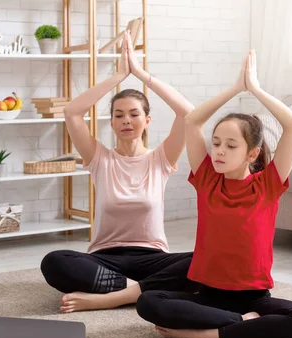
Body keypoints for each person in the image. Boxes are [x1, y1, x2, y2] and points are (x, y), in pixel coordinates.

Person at [135, 49, 292, 338]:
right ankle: (240, 325)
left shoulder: (268, 185)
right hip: (208, 295)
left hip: (254, 300)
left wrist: (256, 90)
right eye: (217, 143)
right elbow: (193, 121)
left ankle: (211, 333)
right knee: (149, 303)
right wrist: (235, 88)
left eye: (230, 145)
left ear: (252, 153)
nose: (219, 150)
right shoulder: (208, 179)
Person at [41, 32, 200, 313]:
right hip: (105, 258)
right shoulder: (99, 158)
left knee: (206, 260)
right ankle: (141, 290)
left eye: (134, 113)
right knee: (54, 261)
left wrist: (140, 74)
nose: (127, 119)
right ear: (112, 123)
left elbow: (187, 112)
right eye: (118, 115)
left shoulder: (160, 159)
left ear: (147, 120)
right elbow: (72, 112)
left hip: (152, 257)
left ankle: (111, 296)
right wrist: (118, 76)